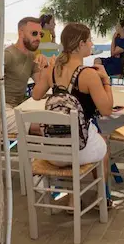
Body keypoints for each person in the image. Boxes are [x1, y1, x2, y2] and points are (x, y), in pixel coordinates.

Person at [32, 23, 113, 167]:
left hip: (54, 153)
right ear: (81, 44)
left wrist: (45, 70)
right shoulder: (89, 75)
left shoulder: (52, 70)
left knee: (96, 137)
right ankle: (103, 189)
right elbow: (106, 111)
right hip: (79, 151)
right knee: (103, 142)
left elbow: (36, 95)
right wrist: (106, 80)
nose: (91, 43)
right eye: (89, 40)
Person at [0, 17, 49, 132]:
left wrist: (45, 65)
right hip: (0, 111)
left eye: (41, 34)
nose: (38, 38)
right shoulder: (8, 54)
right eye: (34, 33)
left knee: (50, 118)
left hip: (18, 108)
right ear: (21, 33)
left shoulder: (31, 57)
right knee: (44, 127)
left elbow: (41, 87)